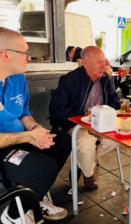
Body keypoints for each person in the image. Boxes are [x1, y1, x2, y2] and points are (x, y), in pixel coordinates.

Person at [0, 27, 70, 223]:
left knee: (62, 140)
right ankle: (13, 216)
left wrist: (36, 129)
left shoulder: (17, 77)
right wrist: (28, 137)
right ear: (5, 55)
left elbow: (24, 114)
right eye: (25, 53)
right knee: (44, 167)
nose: (29, 58)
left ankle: (34, 196)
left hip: (20, 138)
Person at [49, 46, 120, 190]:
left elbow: (115, 100)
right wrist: (83, 118)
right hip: (76, 125)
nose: (104, 65)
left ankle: (81, 162)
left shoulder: (106, 79)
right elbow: (57, 110)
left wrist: (104, 111)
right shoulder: (69, 80)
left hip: (100, 124)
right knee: (86, 142)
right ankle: (88, 174)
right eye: (99, 62)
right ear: (86, 62)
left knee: (115, 139)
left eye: (104, 61)